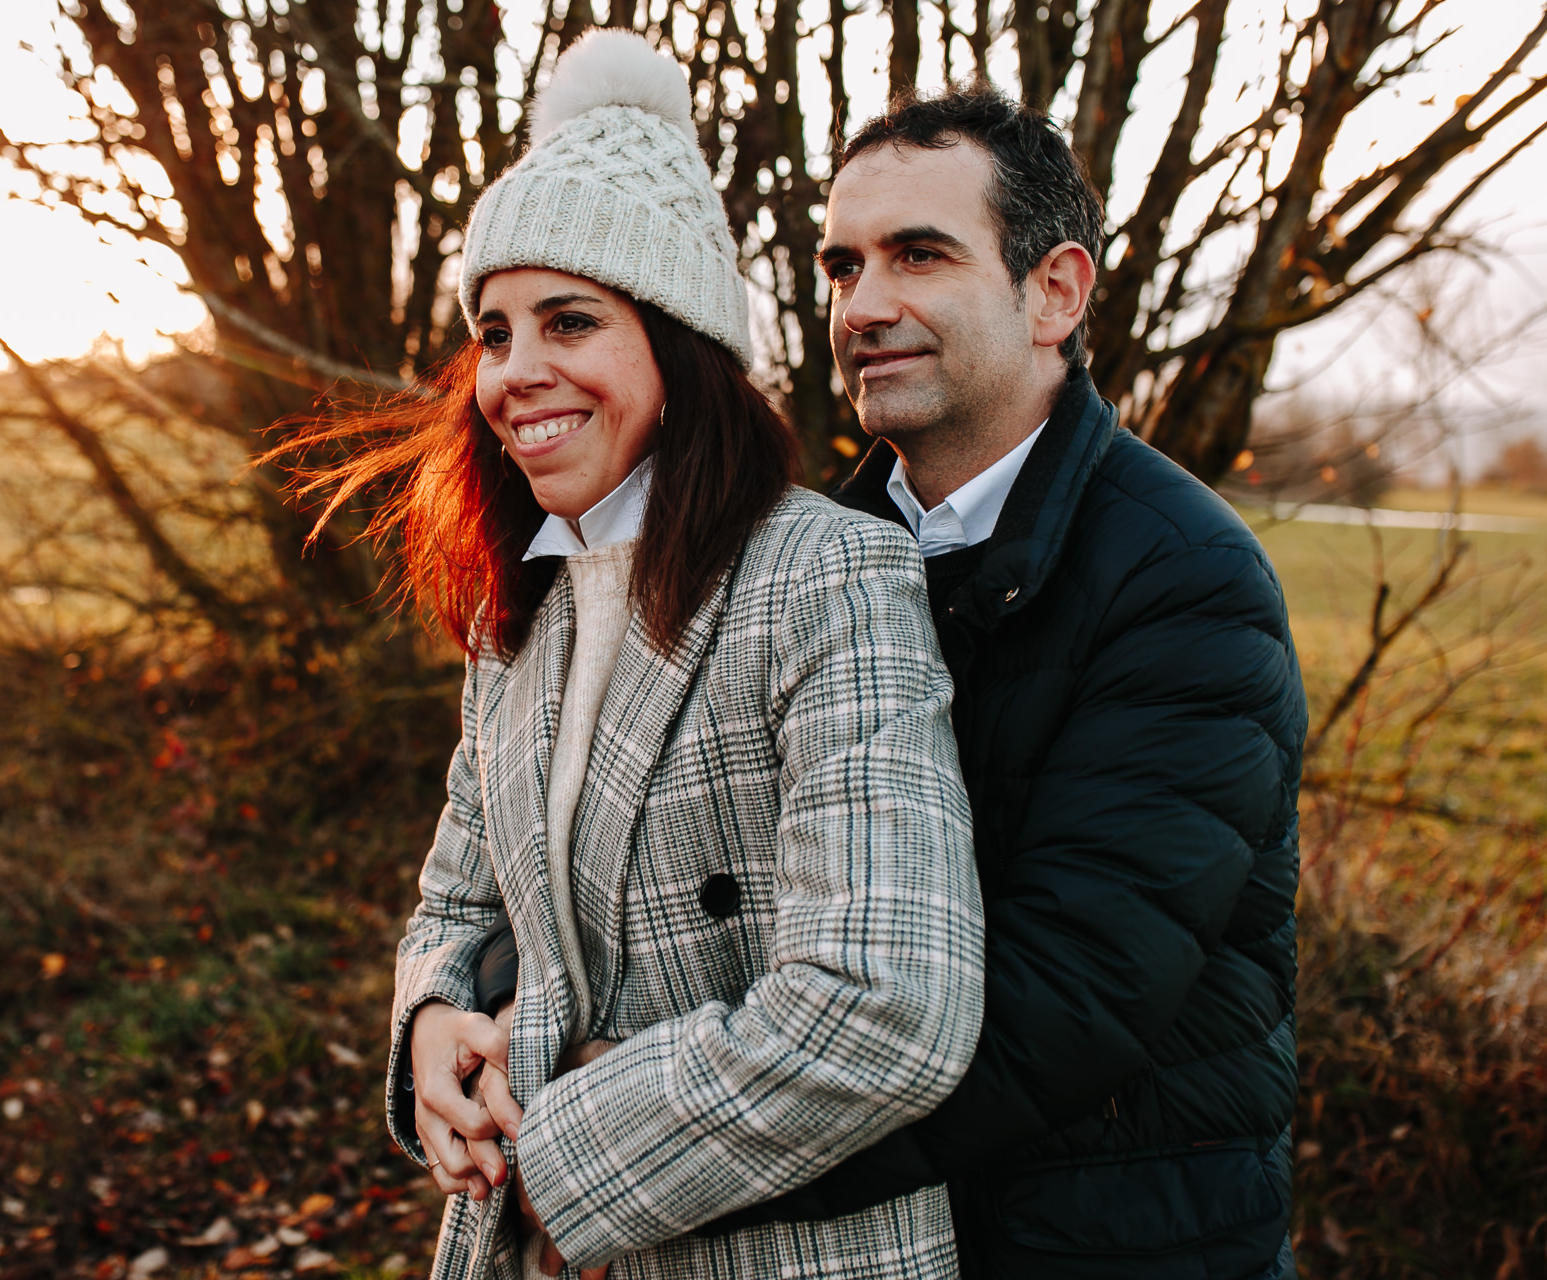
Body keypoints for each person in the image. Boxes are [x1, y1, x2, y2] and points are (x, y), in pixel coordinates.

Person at [453, 83, 1309, 1279]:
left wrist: (623, 1143)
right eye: (843, 266)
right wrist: (473, 1028)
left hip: (1103, 1238)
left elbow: (1070, 995)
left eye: (919, 255)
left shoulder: (1181, 576)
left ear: (1054, 291)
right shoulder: (786, 557)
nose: (864, 305)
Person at [302, 30, 986, 1280]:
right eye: (495, 332)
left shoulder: (823, 574)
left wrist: (572, 1147)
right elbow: (460, 897)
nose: (518, 372)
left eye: (571, 320)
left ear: (675, 345)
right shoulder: (527, 598)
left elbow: (894, 1001)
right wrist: (436, 1020)